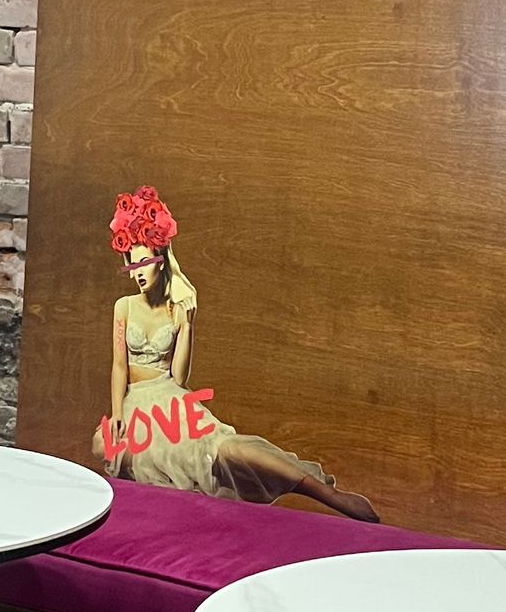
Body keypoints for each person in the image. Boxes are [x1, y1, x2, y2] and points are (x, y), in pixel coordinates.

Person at [95, 186, 378, 519]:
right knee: (106, 446)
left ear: (162, 261)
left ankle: (326, 493)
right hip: (135, 404)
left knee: (220, 450)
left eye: (145, 262)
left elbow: (178, 378)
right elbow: (119, 366)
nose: (138, 272)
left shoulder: (176, 311)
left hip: (170, 400)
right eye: (132, 263)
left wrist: (188, 323)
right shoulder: (124, 306)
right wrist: (117, 413)